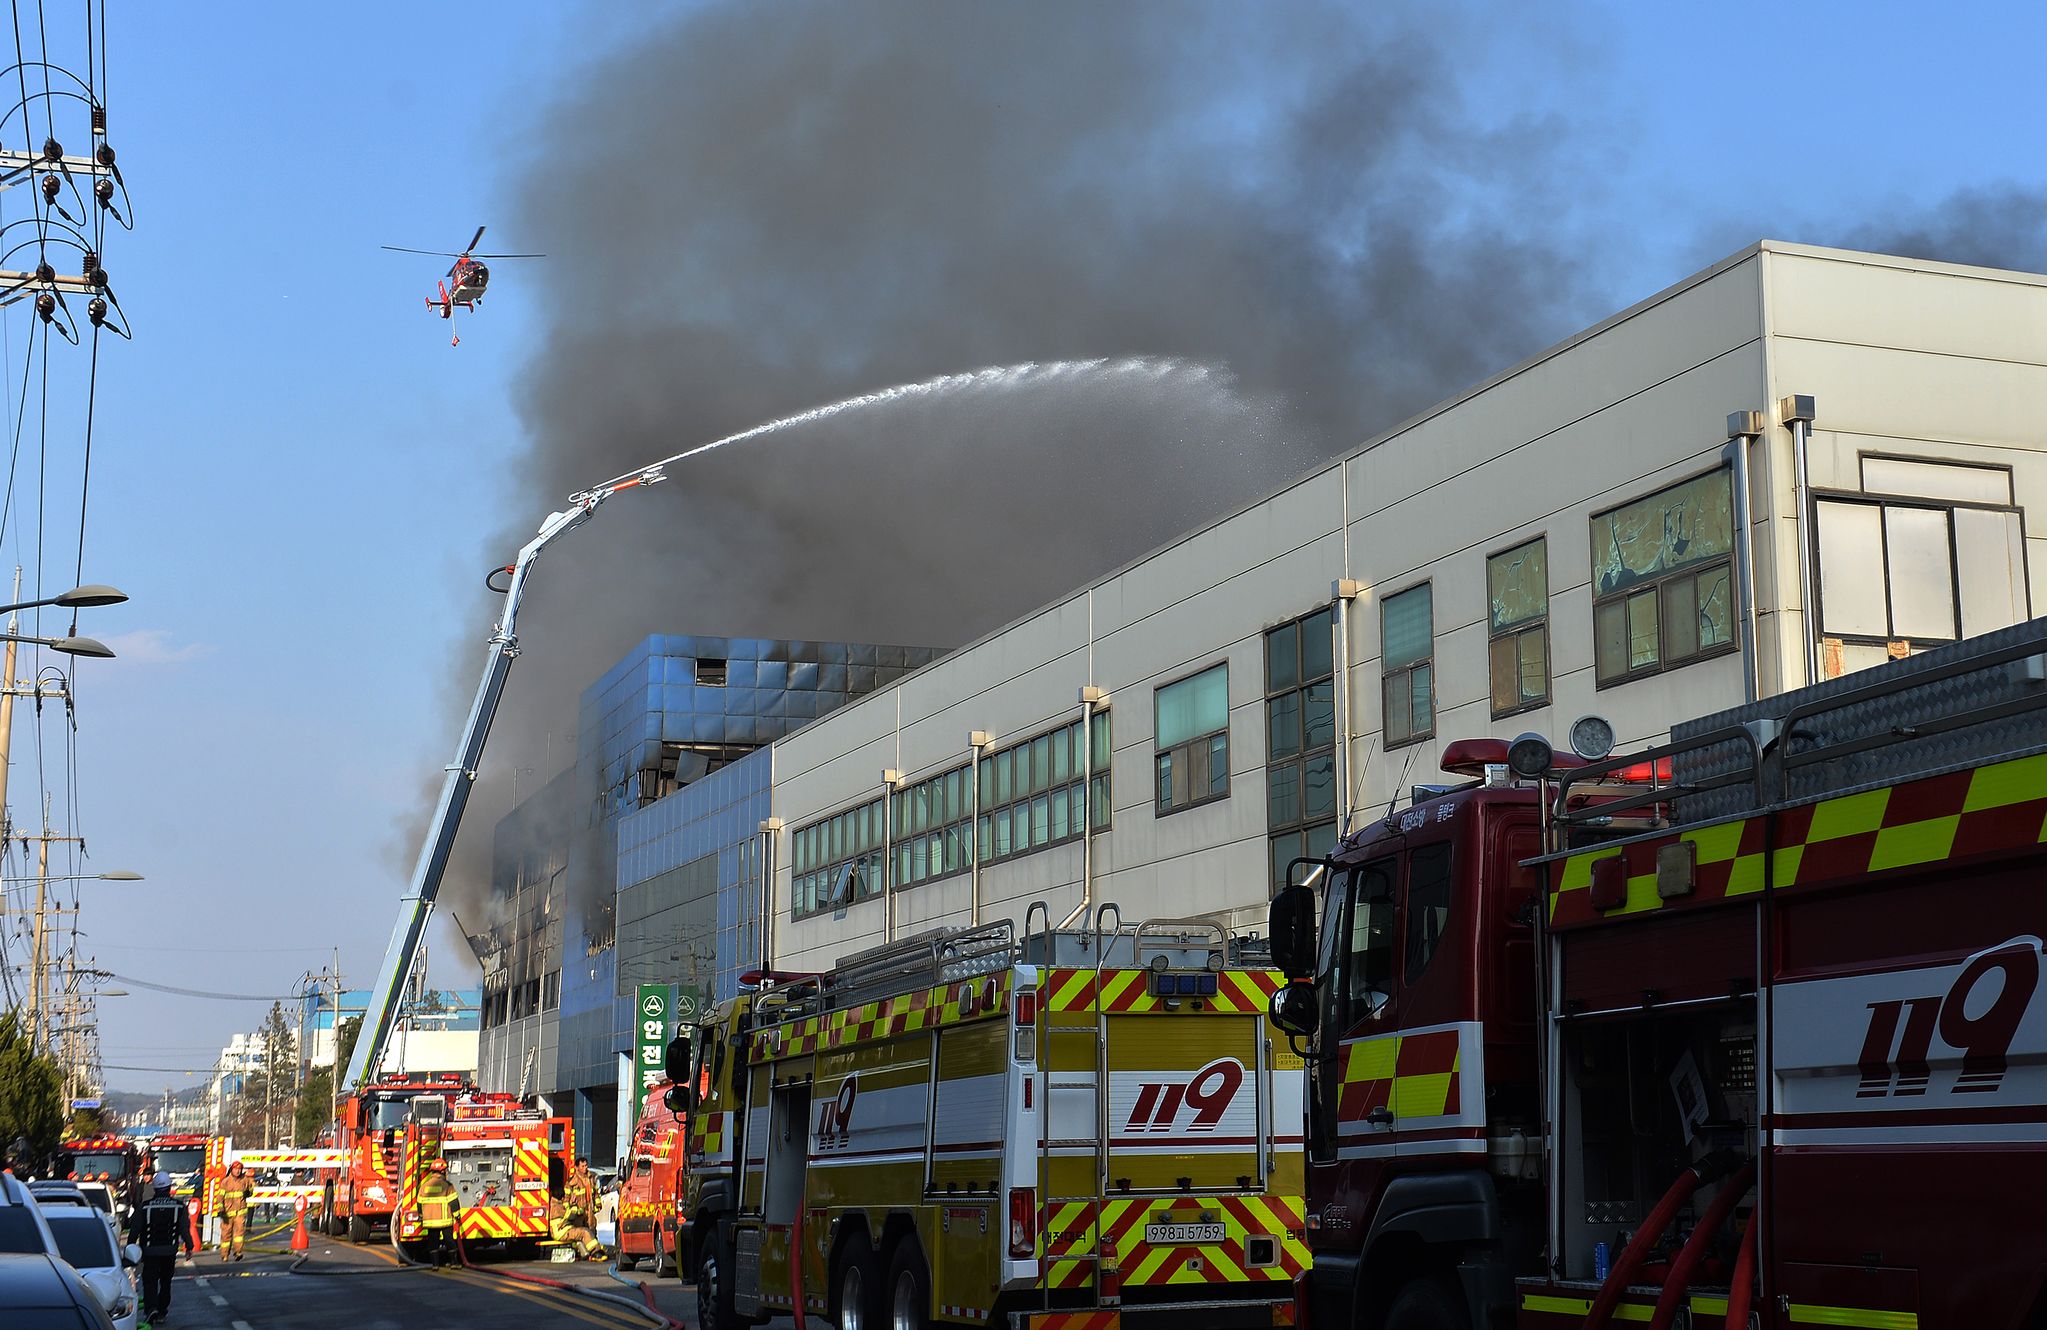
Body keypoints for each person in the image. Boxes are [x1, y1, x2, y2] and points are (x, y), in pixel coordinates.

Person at [129, 1171, 195, 1326]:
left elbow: (135, 1229)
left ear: (155, 1188)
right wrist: (189, 1247)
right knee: (166, 1281)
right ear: (169, 1187)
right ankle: (162, 1311)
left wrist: (131, 1248)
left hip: (150, 1251)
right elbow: (184, 1228)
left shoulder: (144, 1207)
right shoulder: (179, 1206)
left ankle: (151, 1308)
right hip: (169, 1251)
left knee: (150, 1280)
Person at [415, 1157, 461, 1267]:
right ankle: (454, 1262)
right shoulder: (447, 1185)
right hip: (445, 1221)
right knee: (449, 1241)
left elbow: (419, 1203)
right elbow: (454, 1202)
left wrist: (421, 1216)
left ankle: (435, 1265)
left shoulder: (424, 1186)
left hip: (430, 1221)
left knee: (433, 1242)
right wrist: (457, 1215)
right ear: (443, 1171)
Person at [547, 1191, 604, 1261]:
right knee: (584, 1232)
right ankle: (596, 1252)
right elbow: (571, 1215)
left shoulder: (555, 1204)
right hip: (561, 1232)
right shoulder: (557, 1206)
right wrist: (578, 1209)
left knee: (579, 1234)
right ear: (561, 1198)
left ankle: (583, 1253)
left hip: (562, 1230)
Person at [216, 1160, 254, 1261]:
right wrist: (220, 1209)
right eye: (235, 1169)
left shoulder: (245, 1180)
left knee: (239, 1234)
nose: (237, 1171)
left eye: (239, 1169)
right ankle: (224, 1255)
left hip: (240, 1212)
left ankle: (238, 1252)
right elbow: (220, 1197)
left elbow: (251, 1190)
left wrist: (248, 1193)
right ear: (231, 1170)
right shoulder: (225, 1181)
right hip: (227, 1213)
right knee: (226, 1235)